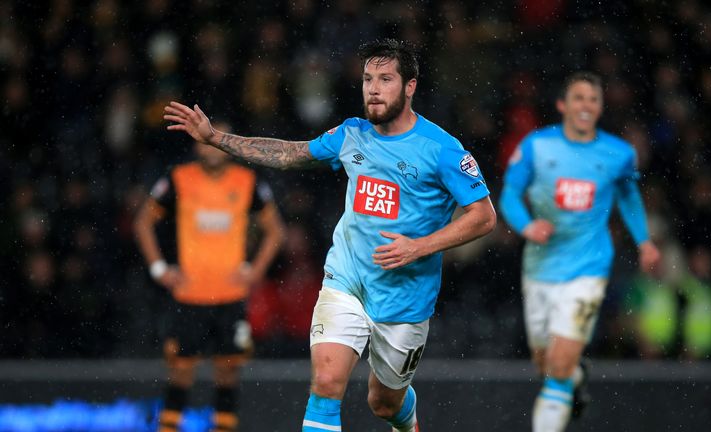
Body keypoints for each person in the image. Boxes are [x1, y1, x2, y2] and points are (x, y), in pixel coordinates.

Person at [163, 39, 496, 432]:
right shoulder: (351, 134)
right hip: (346, 281)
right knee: (325, 383)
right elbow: (291, 153)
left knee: (383, 402)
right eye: (368, 78)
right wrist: (217, 138)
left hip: (405, 298)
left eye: (386, 79)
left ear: (410, 87)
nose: (373, 88)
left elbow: (484, 216)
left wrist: (419, 246)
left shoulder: (441, 149)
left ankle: (404, 416)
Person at [499, 71, 661, 432]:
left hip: (588, 269)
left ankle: (565, 379)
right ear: (562, 105)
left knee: (556, 370)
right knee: (545, 364)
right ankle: (576, 375)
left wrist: (644, 241)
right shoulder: (536, 147)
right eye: (579, 98)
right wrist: (527, 226)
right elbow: (509, 194)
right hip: (540, 267)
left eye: (593, 99)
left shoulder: (619, 154)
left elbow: (628, 196)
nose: (586, 105)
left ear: (600, 107)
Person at [134, 121, 285, 432]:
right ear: (195, 144)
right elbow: (142, 222)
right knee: (180, 373)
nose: (210, 147)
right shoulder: (178, 179)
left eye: (218, 139)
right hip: (189, 295)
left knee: (228, 373)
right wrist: (159, 269)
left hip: (230, 296)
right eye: (205, 140)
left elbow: (276, 231)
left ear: (227, 144)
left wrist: (255, 272)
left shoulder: (247, 181)